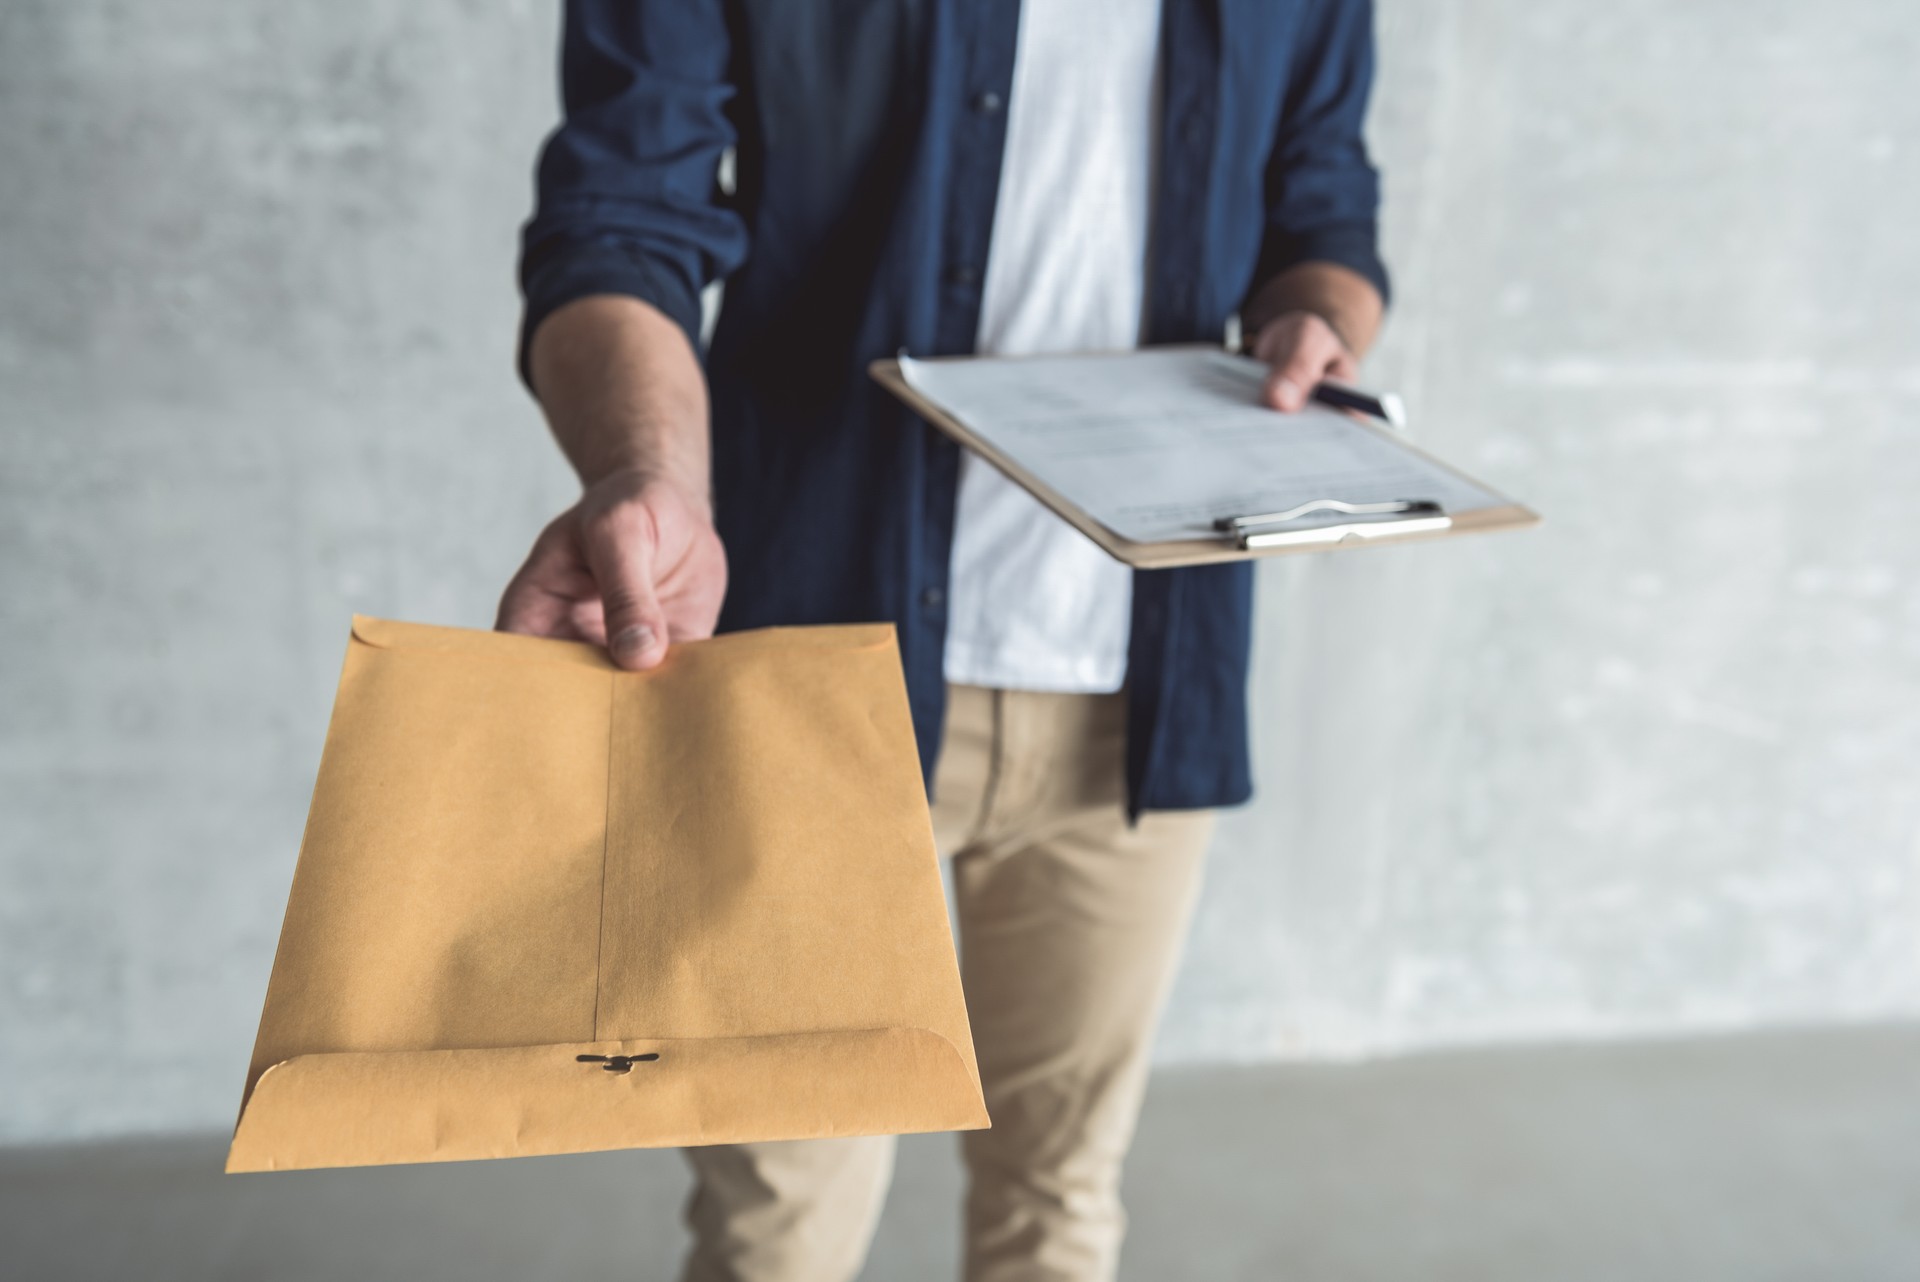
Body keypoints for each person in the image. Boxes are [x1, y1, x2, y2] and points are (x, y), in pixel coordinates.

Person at [499, 1, 1388, 1278]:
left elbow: (1324, 205)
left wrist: (1320, 318)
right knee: (778, 1231)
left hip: (1133, 685)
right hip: (817, 665)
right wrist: (650, 475)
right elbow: (620, 216)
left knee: (1061, 1199)